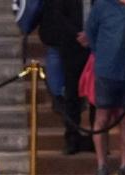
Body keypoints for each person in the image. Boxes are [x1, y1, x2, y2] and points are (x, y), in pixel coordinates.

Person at [86, 0, 125, 175]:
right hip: (106, 71)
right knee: (101, 119)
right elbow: (91, 34)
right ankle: (101, 165)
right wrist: (103, 54)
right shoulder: (102, 6)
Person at [39, 0, 92, 154]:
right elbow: (58, 15)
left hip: (96, 46)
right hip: (71, 46)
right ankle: (72, 138)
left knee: (95, 97)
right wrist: (78, 35)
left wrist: (91, 34)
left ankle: (97, 137)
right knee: (72, 94)